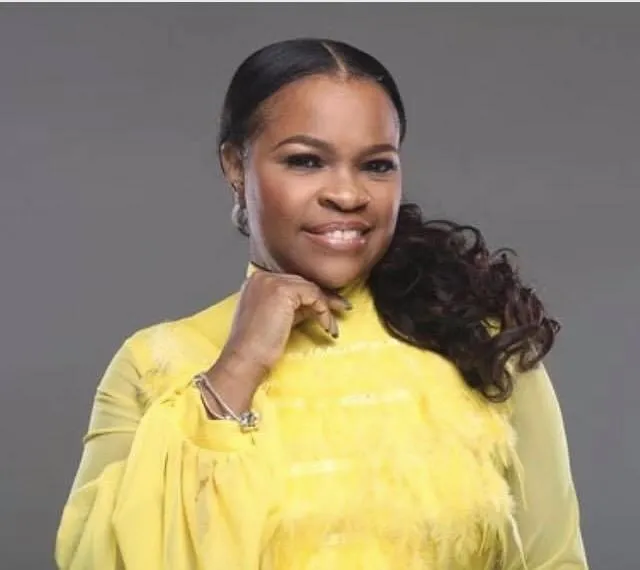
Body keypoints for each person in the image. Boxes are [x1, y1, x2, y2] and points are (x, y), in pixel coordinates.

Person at [55, 38, 589, 570]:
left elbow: (555, 558)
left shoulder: (476, 337)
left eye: (376, 166)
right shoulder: (154, 363)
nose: (348, 194)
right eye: (307, 161)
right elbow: (101, 560)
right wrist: (238, 366)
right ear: (236, 167)